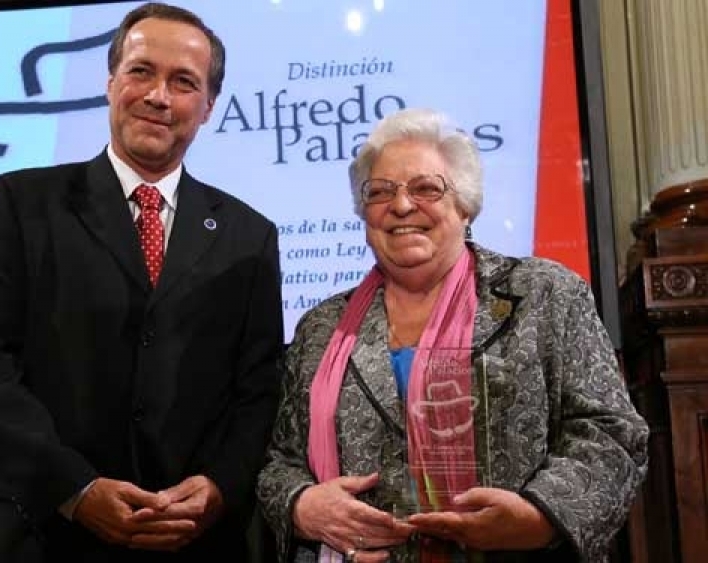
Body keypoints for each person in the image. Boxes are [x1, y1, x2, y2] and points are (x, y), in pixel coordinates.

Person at [0, 3, 284, 561]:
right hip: (39, 532)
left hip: (191, 540)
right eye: (141, 71)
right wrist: (75, 489)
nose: (158, 96)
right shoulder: (20, 203)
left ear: (208, 106)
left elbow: (258, 390)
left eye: (184, 82)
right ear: (111, 83)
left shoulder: (250, 236)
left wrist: (219, 485)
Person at [256, 108, 649, 563]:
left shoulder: (545, 294)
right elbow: (279, 461)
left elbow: (612, 434)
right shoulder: (322, 328)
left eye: (426, 188)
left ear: (465, 205)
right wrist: (302, 505)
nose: (402, 206)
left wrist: (538, 516)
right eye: (380, 191)